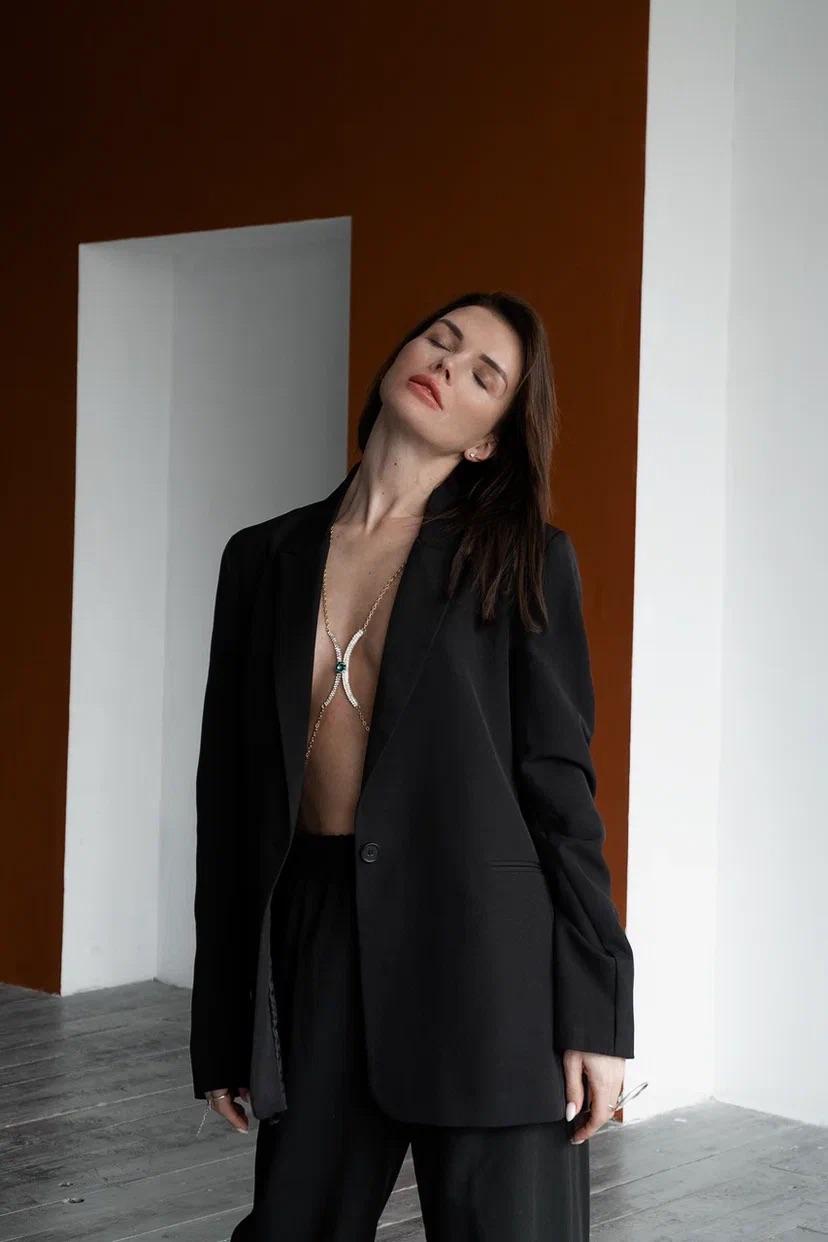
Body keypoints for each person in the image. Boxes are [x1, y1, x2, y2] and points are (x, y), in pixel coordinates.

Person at [189, 291, 635, 1240]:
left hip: (489, 960)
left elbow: (561, 791)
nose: (447, 365)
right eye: (441, 339)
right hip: (318, 940)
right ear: (398, 356)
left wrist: (596, 1012)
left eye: (484, 375)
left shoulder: (521, 558)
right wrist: (225, 1018)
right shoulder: (261, 558)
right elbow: (227, 804)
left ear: (487, 440)